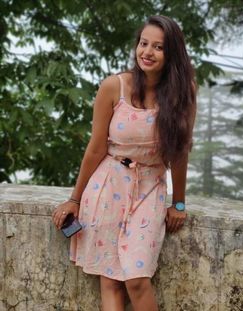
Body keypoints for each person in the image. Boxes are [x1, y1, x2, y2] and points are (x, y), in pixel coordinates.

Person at [52, 15, 196, 311]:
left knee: (137, 279)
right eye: (144, 43)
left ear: (172, 54)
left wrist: (178, 203)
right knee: (110, 280)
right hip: (108, 185)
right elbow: (95, 148)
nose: (147, 52)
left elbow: (180, 153)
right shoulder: (113, 87)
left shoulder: (183, 94)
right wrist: (73, 199)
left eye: (158, 47)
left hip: (149, 188)